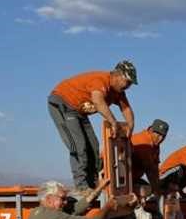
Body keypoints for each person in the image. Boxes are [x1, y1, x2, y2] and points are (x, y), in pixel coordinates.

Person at [47, 61, 138, 193]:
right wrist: (113, 122)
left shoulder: (118, 92)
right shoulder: (101, 80)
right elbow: (98, 101)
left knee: (93, 146)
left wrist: (130, 127)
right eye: (127, 82)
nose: (128, 86)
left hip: (79, 111)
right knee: (79, 145)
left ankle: (93, 184)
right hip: (63, 103)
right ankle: (81, 186)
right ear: (117, 75)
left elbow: (127, 110)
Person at [131, 119, 169, 194]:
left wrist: (159, 187)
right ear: (151, 130)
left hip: (133, 178)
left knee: (151, 189)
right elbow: (150, 171)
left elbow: (155, 169)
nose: (160, 138)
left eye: (163, 136)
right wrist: (157, 191)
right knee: (147, 190)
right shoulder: (144, 141)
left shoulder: (155, 145)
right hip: (118, 179)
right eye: (158, 134)